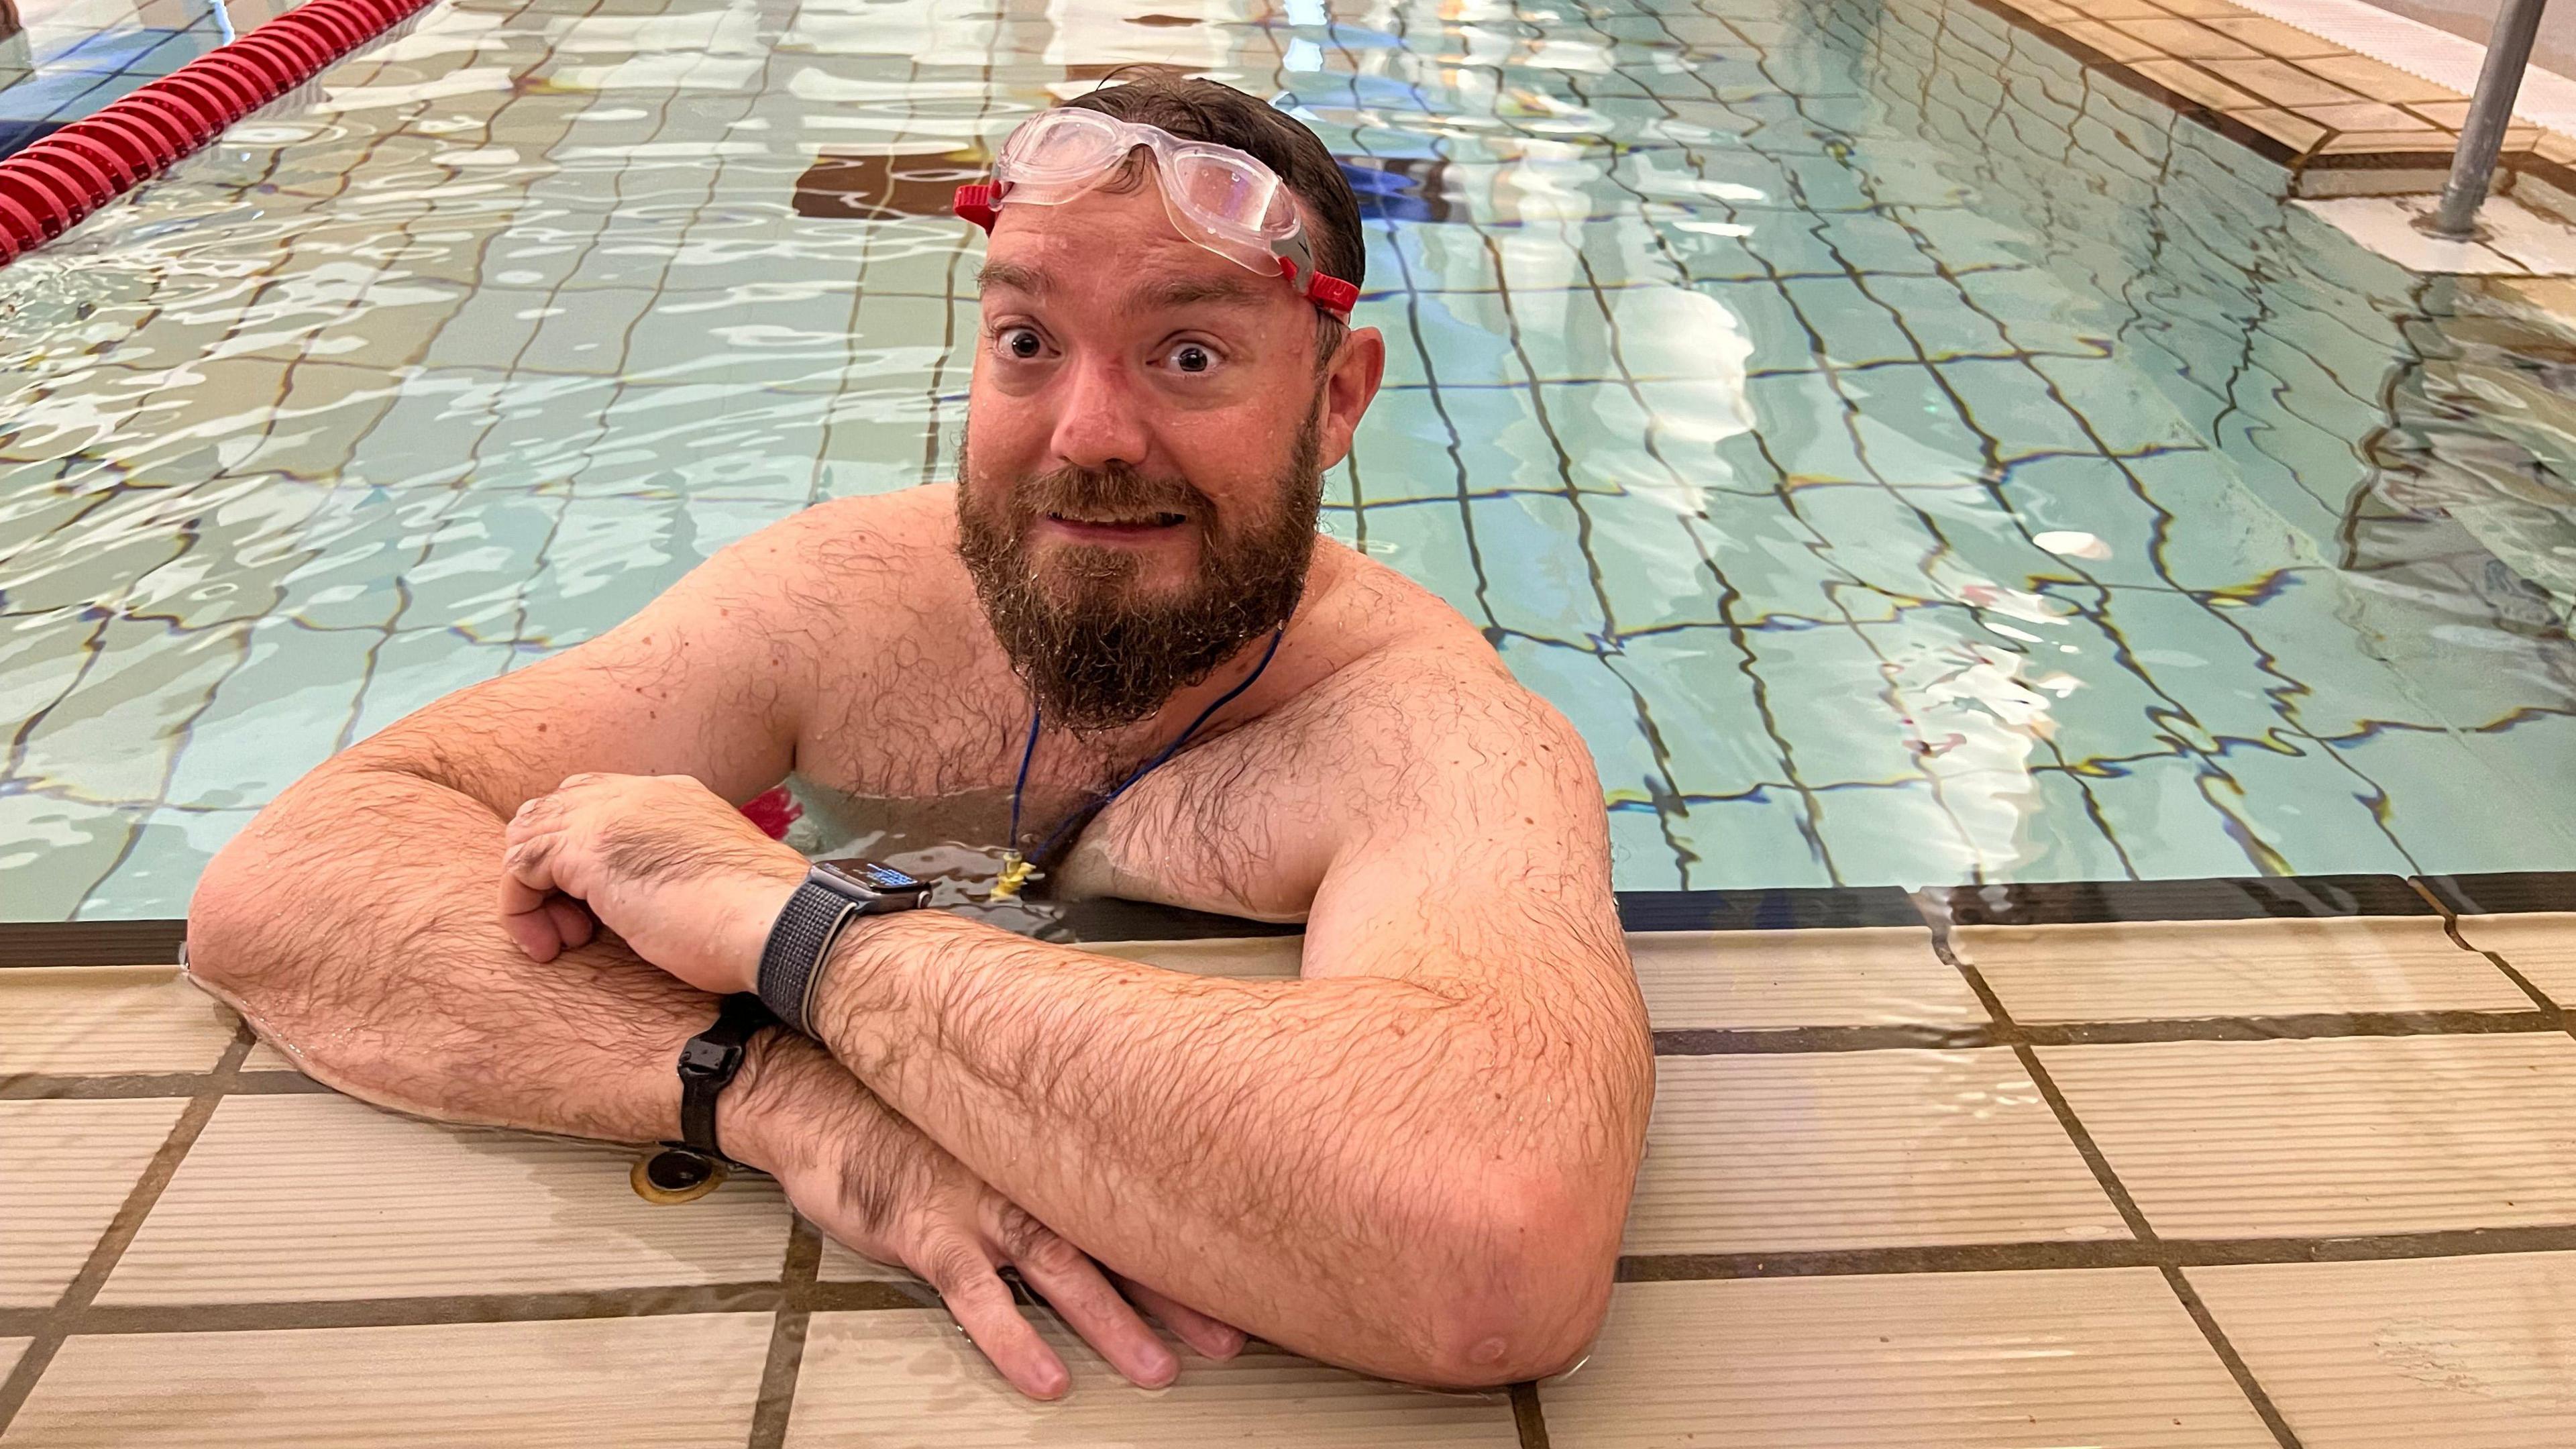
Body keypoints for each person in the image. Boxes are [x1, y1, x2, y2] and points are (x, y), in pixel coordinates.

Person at [187, 74, 1652, 1399]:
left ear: (1335, 402)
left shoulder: (1425, 727)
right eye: (1028, 341)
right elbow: (285, 883)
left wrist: (796, 927)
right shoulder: (839, 602)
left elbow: (1494, 1246)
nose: (1088, 433)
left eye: (1189, 356)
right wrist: (773, 1089)